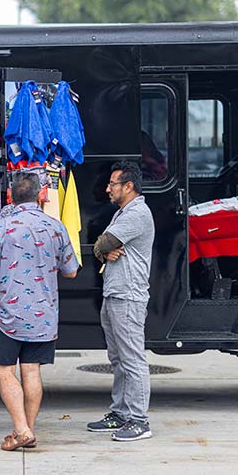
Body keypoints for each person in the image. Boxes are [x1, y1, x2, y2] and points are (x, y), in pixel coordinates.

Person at [0, 173, 79, 451]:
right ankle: (28, 430)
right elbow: (71, 271)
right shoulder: (56, 227)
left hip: (6, 314)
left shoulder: (0, 228)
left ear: (10, 197)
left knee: (4, 371)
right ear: (39, 196)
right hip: (43, 315)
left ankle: (21, 430)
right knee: (31, 371)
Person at [88, 161, 155, 441]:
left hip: (128, 295)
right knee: (117, 358)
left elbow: (103, 243)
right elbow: (101, 246)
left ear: (129, 186)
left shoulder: (136, 213)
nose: (107, 188)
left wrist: (104, 248)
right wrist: (104, 249)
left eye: (113, 184)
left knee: (132, 359)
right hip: (114, 293)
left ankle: (139, 421)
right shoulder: (122, 212)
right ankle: (120, 413)